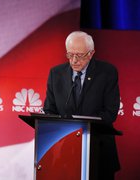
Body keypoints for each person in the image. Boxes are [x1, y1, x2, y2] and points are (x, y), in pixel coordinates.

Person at [43, 31, 120, 180]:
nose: (74, 61)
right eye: (70, 55)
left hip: (98, 150)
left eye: (80, 55)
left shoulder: (107, 72)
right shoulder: (56, 73)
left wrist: (83, 125)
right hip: (65, 151)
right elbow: (49, 110)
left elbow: (110, 113)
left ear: (91, 54)